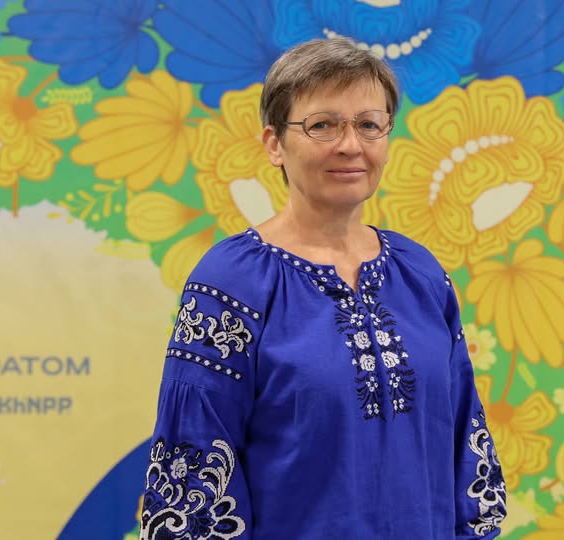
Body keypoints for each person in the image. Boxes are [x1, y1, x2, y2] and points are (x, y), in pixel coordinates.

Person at [140, 37, 507, 540]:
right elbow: (192, 481)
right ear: (274, 144)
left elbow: (469, 451)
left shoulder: (420, 274)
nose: (350, 145)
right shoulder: (231, 282)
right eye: (322, 125)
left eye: (369, 124)